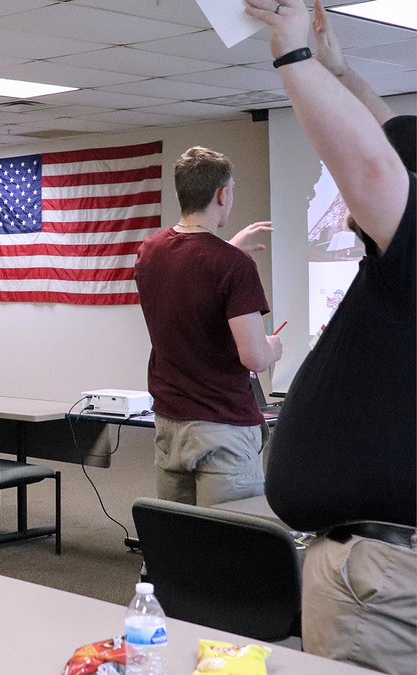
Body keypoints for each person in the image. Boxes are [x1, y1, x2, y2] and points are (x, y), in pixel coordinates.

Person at [246, 1, 415, 672]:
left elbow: (376, 169)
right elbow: (394, 137)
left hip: (384, 580)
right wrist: (339, 70)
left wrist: (293, 59)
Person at [133, 147, 282, 507]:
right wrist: (274, 346)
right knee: (230, 549)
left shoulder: (149, 251)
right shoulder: (235, 267)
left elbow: (190, 276)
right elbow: (254, 358)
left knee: (180, 546)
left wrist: (227, 248)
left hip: (170, 425)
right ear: (222, 194)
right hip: (224, 430)